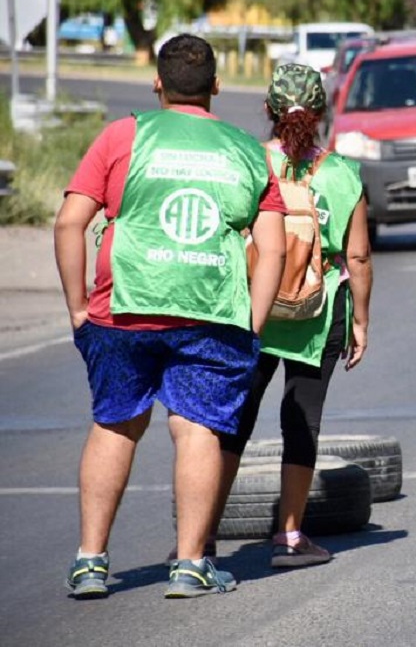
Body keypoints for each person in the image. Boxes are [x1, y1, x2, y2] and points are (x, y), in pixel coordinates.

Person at [55, 34, 287, 598]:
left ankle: (90, 561)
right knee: (198, 427)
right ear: (215, 86)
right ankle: (189, 566)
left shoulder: (122, 135)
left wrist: (79, 308)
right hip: (211, 313)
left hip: (123, 309)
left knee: (116, 423)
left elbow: (68, 223)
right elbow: (274, 247)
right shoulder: (245, 151)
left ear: (156, 83)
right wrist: (252, 325)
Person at [215, 64, 373, 568]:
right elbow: (359, 259)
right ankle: (289, 537)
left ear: (268, 110)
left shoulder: (249, 164)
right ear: (322, 113)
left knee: (233, 419)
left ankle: (201, 535)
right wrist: (362, 321)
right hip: (318, 313)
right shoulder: (342, 174)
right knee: (301, 419)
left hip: (251, 311)